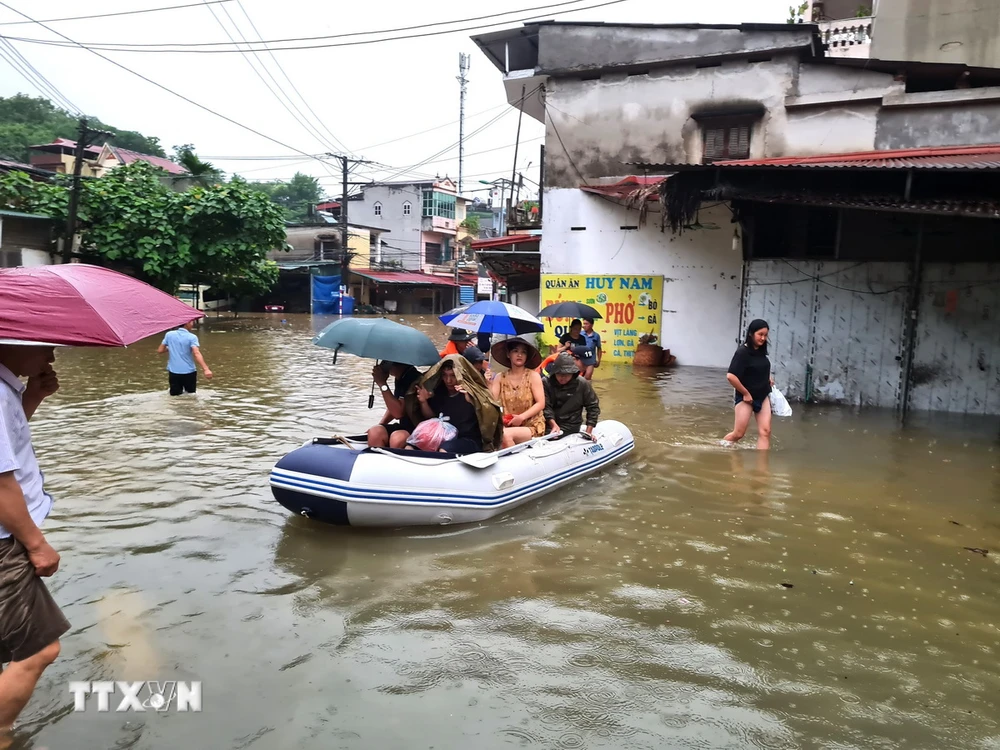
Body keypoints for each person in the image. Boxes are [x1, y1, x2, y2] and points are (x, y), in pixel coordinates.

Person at [0, 344, 70, 740]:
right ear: (11, 341)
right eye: (45, 347)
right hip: (4, 540)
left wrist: (31, 398)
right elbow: (0, 481)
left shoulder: (5, 390)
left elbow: (6, 444)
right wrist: (36, 543)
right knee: (39, 650)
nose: (52, 358)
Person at [404, 355, 503, 454]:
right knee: (411, 446)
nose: (448, 380)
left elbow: (489, 416)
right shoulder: (439, 391)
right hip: (442, 434)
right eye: (445, 375)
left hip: (468, 439)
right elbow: (432, 417)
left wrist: (473, 402)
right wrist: (423, 402)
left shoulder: (472, 392)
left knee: (445, 449)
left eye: (453, 376)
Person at [722, 319, 775, 450]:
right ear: (751, 334)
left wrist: (767, 377)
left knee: (765, 432)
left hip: (762, 396)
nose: (763, 338)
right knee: (739, 434)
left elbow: (757, 367)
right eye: (760, 334)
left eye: (765, 335)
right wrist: (745, 393)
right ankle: (721, 448)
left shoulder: (761, 352)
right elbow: (731, 376)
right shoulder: (742, 352)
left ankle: (762, 468)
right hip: (746, 397)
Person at [489, 337, 546, 448]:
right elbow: (491, 403)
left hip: (532, 425)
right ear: (508, 354)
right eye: (515, 351)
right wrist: (488, 383)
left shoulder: (533, 376)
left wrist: (521, 418)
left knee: (505, 435)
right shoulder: (500, 377)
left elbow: (541, 403)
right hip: (508, 424)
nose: (519, 355)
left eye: (523, 352)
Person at [543, 352, 601, 437]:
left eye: (566, 375)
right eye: (559, 374)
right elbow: (545, 407)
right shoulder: (546, 383)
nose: (562, 377)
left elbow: (593, 407)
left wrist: (588, 431)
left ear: (573, 373)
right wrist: (553, 425)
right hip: (548, 425)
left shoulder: (582, 383)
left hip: (571, 426)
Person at [366, 361, 421, 448]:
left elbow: (398, 413)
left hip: (418, 428)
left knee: (397, 438)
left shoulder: (413, 378)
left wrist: (382, 384)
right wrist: (381, 424)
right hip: (404, 426)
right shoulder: (401, 377)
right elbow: (394, 405)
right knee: (375, 432)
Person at [157, 320, 212, 395]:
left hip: (174, 371)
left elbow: (160, 350)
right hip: (189, 371)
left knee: (175, 396)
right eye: (192, 322)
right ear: (187, 323)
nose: (193, 324)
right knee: (191, 396)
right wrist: (206, 369)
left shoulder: (169, 335)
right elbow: (196, 353)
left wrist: (172, 348)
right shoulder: (192, 337)